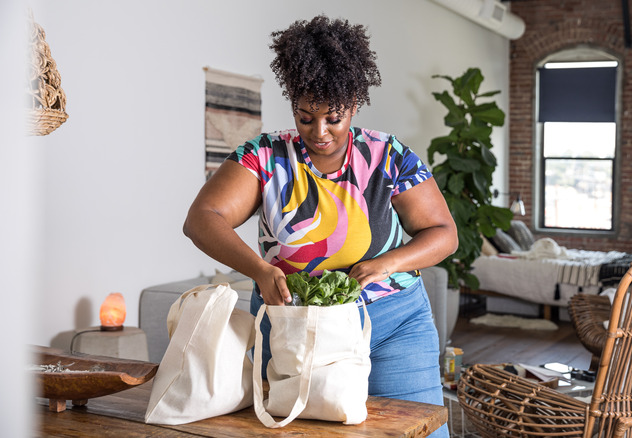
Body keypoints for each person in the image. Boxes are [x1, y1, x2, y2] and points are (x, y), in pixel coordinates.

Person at [183, 15, 457, 437]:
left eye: (333, 116)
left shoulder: (388, 155)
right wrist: (260, 270)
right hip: (294, 329)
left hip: (392, 325)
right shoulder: (265, 156)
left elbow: (443, 233)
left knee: (417, 430)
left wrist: (384, 265)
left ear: (354, 102)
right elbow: (202, 219)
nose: (320, 132)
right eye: (305, 116)